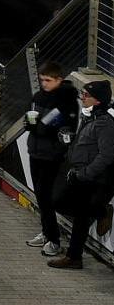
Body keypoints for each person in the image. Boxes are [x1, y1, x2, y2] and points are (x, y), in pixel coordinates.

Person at [47, 78, 114, 269]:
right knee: (70, 209)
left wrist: (84, 173)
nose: (82, 97)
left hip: (94, 179)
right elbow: (89, 144)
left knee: (74, 211)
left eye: (86, 95)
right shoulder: (92, 118)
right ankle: (99, 212)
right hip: (83, 175)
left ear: (98, 100)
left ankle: (74, 257)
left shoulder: (105, 124)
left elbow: (107, 155)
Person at [25, 62, 81, 254]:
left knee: (46, 196)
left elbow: (48, 126)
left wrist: (37, 126)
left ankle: (54, 239)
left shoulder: (65, 101)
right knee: (40, 195)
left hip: (51, 156)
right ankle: (47, 232)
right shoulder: (38, 97)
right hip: (35, 151)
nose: (44, 84)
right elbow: (33, 122)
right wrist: (32, 124)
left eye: (48, 80)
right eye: (42, 80)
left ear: (59, 79)